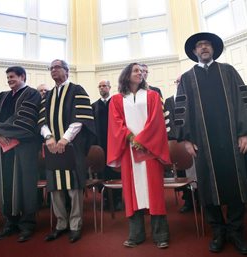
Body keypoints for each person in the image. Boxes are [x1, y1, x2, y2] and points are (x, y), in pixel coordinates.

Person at [174, 32, 247, 255]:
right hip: (202, 143)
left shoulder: (228, 71)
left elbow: (243, 100)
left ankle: (236, 230)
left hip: (232, 139)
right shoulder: (187, 78)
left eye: (207, 45)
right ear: (194, 52)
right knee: (207, 187)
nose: (203, 48)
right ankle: (218, 230)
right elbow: (181, 111)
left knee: (237, 185)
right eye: (199, 46)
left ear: (213, 49)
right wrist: (186, 140)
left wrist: (246, 133)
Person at [107, 63, 171, 249]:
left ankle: (161, 234)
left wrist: (141, 140)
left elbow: (156, 121)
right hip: (129, 151)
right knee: (132, 192)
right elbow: (116, 122)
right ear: (126, 75)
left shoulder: (152, 96)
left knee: (155, 192)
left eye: (142, 71)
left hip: (150, 149)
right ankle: (136, 235)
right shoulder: (117, 99)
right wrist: (131, 138)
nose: (140, 73)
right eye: (136, 71)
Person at [40, 59, 95, 243]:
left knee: (73, 187)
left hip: (71, 147)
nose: (53, 71)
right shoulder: (47, 95)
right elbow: (42, 121)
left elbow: (81, 118)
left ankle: (75, 225)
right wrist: (49, 138)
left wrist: (64, 139)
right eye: (51, 68)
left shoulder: (77, 90)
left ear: (67, 70)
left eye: (57, 67)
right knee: (55, 188)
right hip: (52, 148)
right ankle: (61, 224)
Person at [0, 66, 42, 243]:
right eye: (8, 77)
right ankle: (9, 223)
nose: (9, 80)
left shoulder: (32, 94)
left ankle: (27, 224)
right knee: (5, 184)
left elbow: (26, 119)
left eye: (12, 77)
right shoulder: (3, 96)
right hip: (4, 147)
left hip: (24, 146)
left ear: (22, 76)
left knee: (25, 184)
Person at [164, 75, 195, 213]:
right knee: (182, 171)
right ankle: (188, 199)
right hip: (178, 141)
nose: (179, 83)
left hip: (193, 140)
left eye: (181, 81)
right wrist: (179, 138)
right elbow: (169, 122)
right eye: (177, 81)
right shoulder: (169, 100)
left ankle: (200, 198)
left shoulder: (192, 97)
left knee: (196, 172)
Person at [92, 79, 122, 211]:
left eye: (104, 86)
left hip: (115, 143)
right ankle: (105, 200)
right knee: (103, 173)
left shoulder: (116, 102)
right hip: (101, 145)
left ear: (110, 87)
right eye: (100, 86)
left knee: (116, 171)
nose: (102, 88)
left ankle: (118, 199)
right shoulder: (94, 106)